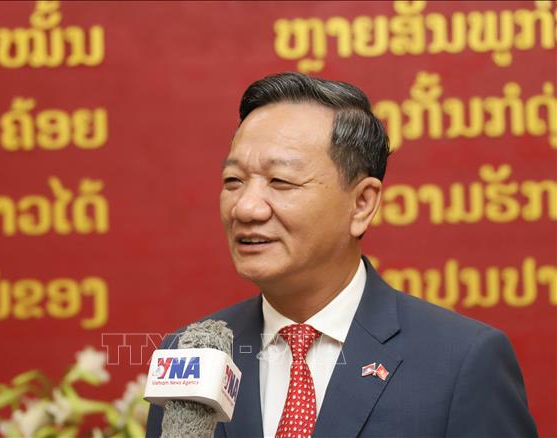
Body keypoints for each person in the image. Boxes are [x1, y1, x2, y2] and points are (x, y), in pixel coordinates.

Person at [146, 72, 537, 438]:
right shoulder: (190, 355)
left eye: (280, 181)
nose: (245, 208)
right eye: (233, 180)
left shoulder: (462, 361)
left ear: (362, 203)